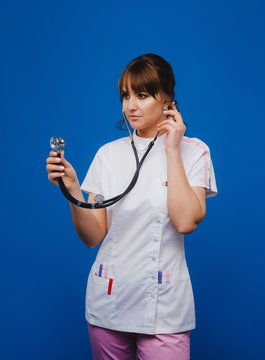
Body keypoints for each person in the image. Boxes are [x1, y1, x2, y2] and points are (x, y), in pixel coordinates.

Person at [46, 54, 217, 360]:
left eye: (142, 95)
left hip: (164, 308)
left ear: (168, 101)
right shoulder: (108, 155)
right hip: (108, 301)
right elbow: (93, 236)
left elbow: (185, 222)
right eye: (126, 96)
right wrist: (72, 189)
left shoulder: (195, 152)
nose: (130, 106)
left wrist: (173, 150)